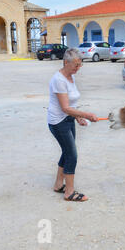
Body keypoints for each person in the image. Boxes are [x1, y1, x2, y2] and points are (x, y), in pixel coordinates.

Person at [47, 48, 98, 202]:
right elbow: (65, 108)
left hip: (68, 119)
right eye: (76, 65)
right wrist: (87, 115)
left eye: (79, 65)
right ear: (66, 62)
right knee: (71, 155)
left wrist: (77, 118)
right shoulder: (59, 80)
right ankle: (69, 192)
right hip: (58, 122)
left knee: (66, 152)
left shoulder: (71, 77)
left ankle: (58, 185)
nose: (78, 68)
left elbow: (71, 105)